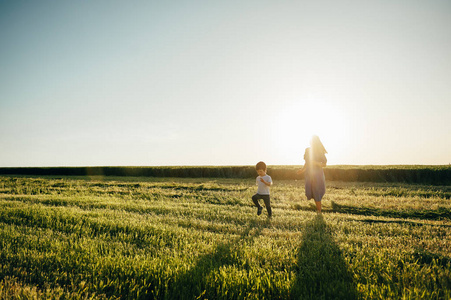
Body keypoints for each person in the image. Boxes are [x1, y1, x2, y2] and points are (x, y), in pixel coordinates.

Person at [298, 135, 327, 214]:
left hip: (317, 174)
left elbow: (324, 164)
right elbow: (307, 163)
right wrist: (302, 170)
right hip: (309, 174)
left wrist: (315, 163)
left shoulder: (320, 151)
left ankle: (319, 211)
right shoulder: (307, 150)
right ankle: (318, 209)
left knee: (316, 191)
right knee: (310, 191)